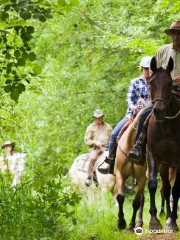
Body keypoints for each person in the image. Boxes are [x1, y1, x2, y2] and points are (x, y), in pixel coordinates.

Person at [128, 20, 180, 164]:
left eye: (179, 34)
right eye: (174, 34)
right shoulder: (162, 51)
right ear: (170, 35)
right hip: (163, 94)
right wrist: (163, 79)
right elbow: (152, 72)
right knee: (144, 113)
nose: (176, 37)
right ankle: (138, 148)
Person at [98, 56, 152, 174]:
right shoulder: (135, 82)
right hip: (133, 114)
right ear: (142, 69)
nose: (148, 72)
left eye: (150, 69)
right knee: (114, 135)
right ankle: (110, 162)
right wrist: (132, 106)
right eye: (146, 69)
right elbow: (129, 98)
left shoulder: (156, 82)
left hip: (151, 116)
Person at [84, 109, 112, 186]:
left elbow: (112, 137)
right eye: (97, 117)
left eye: (100, 117)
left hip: (107, 148)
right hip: (96, 148)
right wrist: (96, 143)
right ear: (95, 118)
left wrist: (110, 144)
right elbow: (87, 140)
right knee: (93, 158)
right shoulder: (90, 127)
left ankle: (120, 177)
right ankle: (89, 177)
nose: (99, 119)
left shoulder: (108, 126)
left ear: (102, 117)